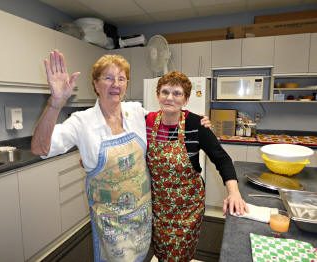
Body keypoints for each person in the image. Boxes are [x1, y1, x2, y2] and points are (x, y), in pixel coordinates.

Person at [31, 50, 211, 262]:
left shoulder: (135, 112)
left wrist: (196, 123)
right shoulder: (81, 122)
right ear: (96, 85)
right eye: (108, 77)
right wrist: (55, 102)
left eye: (121, 78)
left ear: (126, 84)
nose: (115, 83)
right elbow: (40, 148)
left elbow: (168, 119)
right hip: (112, 224)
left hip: (143, 217)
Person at [145, 71, 247, 261]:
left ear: (186, 99)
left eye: (177, 93)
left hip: (187, 209)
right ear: (158, 95)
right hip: (158, 207)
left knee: (178, 255)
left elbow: (222, 159)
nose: (170, 98)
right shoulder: (147, 122)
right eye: (165, 92)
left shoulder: (196, 124)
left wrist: (234, 192)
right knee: (161, 253)